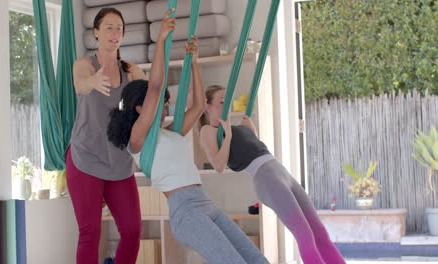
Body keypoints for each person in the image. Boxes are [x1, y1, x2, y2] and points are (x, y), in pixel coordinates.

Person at [107, 17, 269, 263]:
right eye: (161, 105)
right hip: (186, 212)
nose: (165, 109)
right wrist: (160, 40)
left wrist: (194, 64)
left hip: (206, 203)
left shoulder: (170, 132)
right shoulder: (138, 140)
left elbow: (198, 105)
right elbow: (155, 87)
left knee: (257, 260)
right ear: (140, 109)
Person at [199, 85, 346, 264]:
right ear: (207, 106)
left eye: (228, 100)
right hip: (267, 180)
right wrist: (228, 136)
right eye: (222, 101)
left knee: (319, 231)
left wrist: (252, 131)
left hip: (280, 171)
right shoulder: (209, 131)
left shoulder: (239, 126)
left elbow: (255, 149)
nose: (227, 104)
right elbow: (219, 165)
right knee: (305, 234)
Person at [66, 7, 148, 264]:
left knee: (132, 231)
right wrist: (91, 82)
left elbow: (146, 102)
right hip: (85, 158)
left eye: (119, 28)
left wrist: (142, 86)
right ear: (96, 33)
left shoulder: (131, 70)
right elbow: (80, 83)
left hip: (118, 162)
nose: (115, 33)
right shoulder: (84, 65)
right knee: (90, 233)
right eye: (109, 27)